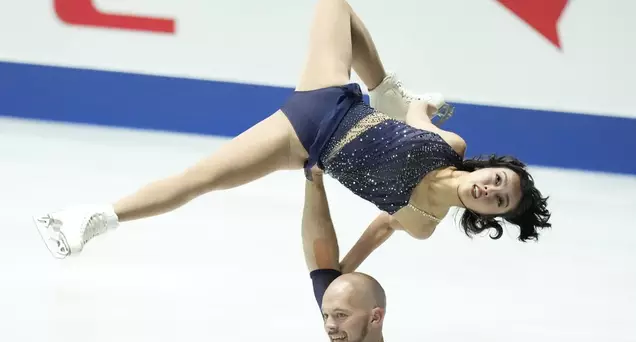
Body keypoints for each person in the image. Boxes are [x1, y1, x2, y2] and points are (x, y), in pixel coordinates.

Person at [33, 0, 551, 260]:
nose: (490, 190)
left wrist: (338, 277)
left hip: (303, 140)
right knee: (336, 5)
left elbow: (378, 230)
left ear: (488, 217)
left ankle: (97, 218)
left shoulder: (422, 223)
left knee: (199, 180)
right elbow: (416, 118)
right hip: (333, 98)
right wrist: (418, 104)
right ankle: (384, 86)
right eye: (499, 180)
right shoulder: (452, 147)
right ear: (490, 167)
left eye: (497, 202)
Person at [302, 168, 416, 342]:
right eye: (326, 315)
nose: (329, 326)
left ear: (375, 317)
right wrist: (313, 177)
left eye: (340, 315)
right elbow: (321, 263)